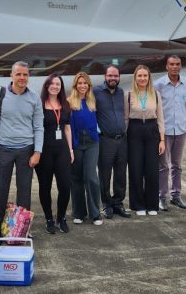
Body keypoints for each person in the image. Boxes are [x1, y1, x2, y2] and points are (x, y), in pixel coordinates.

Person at [0, 61, 44, 244]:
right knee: (0, 191)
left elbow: (39, 127)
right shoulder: (1, 94)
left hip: (26, 150)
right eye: (18, 74)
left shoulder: (34, 98)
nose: (22, 78)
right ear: (11, 75)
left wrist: (37, 152)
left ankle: (21, 229)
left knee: (24, 192)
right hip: (4, 149)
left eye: (25, 75)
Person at [154, 55, 186, 211]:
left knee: (177, 165)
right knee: (163, 166)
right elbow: (154, 106)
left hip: (180, 130)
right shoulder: (158, 84)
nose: (174, 67)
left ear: (180, 66)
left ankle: (176, 196)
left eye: (177, 64)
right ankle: (161, 197)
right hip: (164, 131)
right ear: (166, 66)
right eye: (171, 64)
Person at [34, 73, 74, 234]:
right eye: (52, 83)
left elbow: (67, 128)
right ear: (46, 86)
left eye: (58, 84)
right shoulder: (39, 104)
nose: (55, 86)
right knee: (45, 187)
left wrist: (71, 149)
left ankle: (61, 217)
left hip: (62, 150)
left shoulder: (65, 104)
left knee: (65, 186)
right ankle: (49, 219)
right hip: (45, 152)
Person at [125, 65, 165, 216]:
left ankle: (152, 204)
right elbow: (125, 119)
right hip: (134, 131)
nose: (142, 78)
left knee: (152, 170)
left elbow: (160, 118)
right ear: (135, 78)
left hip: (151, 130)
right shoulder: (128, 95)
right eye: (139, 76)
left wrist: (162, 140)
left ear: (149, 78)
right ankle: (138, 205)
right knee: (135, 168)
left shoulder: (155, 94)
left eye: (145, 76)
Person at [93, 64, 132, 219]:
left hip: (122, 140)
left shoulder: (121, 92)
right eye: (110, 75)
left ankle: (118, 203)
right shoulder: (96, 92)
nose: (113, 78)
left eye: (115, 76)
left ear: (119, 78)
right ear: (105, 76)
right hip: (105, 140)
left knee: (121, 174)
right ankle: (106, 203)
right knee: (105, 174)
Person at [68, 72, 103, 225]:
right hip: (76, 143)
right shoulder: (69, 102)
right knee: (76, 178)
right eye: (80, 83)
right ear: (75, 85)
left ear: (89, 85)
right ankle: (79, 213)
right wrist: (70, 147)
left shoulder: (93, 101)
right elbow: (67, 127)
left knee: (91, 176)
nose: (82, 86)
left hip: (91, 143)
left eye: (85, 83)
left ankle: (95, 213)